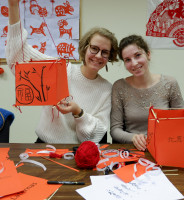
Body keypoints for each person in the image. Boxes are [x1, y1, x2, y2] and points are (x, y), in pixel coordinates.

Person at [6, 0, 118, 144]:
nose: (98, 56)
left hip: (78, 153)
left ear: (109, 57)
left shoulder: (106, 89)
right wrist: (13, 6)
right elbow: (17, 58)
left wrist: (78, 112)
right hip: (44, 147)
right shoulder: (60, 69)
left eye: (104, 52)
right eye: (94, 48)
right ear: (85, 48)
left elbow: (95, 136)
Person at [110, 34, 184, 151]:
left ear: (148, 54)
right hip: (133, 152)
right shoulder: (119, 87)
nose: (134, 63)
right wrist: (133, 137)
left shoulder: (170, 83)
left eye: (138, 55)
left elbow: (181, 123)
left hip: (165, 149)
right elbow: (115, 130)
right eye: (127, 60)